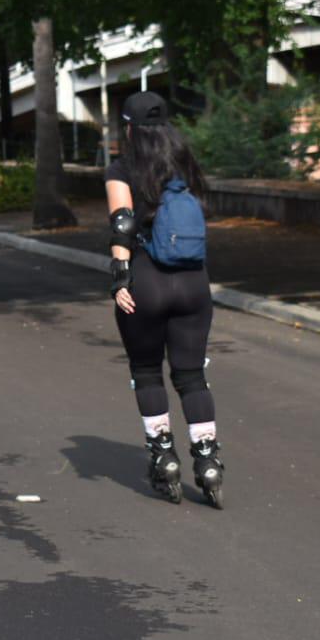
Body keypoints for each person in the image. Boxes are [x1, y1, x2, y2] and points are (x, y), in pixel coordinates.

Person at [104, 91, 225, 508]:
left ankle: (163, 458)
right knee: (192, 376)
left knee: (148, 371)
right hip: (194, 282)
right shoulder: (185, 164)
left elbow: (122, 223)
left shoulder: (123, 168)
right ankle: (208, 463)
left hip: (148, 282)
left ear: (129, 128)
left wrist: (120, 278)